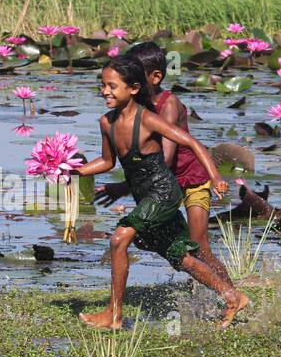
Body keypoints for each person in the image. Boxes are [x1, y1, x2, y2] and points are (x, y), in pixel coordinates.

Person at [74, 55, 247, 329]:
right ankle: (233, 296)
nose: (104, 91)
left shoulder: (148, 120)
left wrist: (215, 177)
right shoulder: (106, 122)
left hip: (164, 193)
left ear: (133, 89)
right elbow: (107, 162)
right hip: (145, 197)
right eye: (102, 85)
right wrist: (75, 169)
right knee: (181, 257)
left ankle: (114, 314)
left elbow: (191, 141)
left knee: (120, 238)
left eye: (111, 86)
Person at [94, 41, 232, 283]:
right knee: (175, 246)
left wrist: (122, 188)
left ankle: (230, 291)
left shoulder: (168, 105)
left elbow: (165, 160)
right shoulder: (134, 108)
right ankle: (215, 292)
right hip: (165, 186)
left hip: (191, 182)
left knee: (199, 246)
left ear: (154, 77)